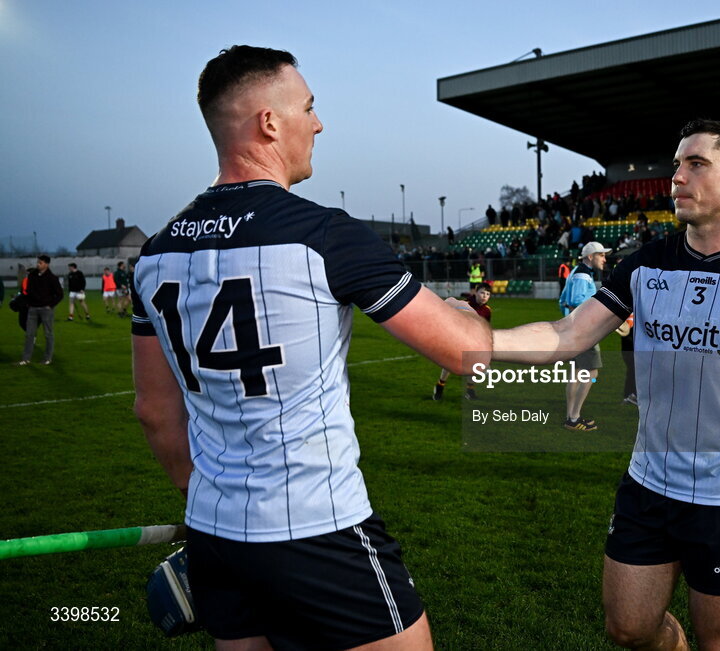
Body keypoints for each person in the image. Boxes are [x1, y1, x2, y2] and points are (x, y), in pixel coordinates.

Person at [131, 45, 491, 650]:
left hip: (214, 532)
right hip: (316, 527)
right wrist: (465, 314)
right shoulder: (323, 235)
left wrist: (219, 508)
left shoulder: (156, 252)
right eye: (309, 107)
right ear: (269, 123)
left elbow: (155, 412)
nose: (318, 123)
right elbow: (467, 354)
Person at [493, 120, 720, 650]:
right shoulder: (643, 266)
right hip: (647, 483)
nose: (676, 178)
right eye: (676, 165)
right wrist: (479, 340)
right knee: (629, 628)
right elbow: (569, 332)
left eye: (696, 164)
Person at [558, 240, 611, 431]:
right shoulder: (583, 275)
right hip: (583, 332)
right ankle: (574, 417)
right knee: (592, 373)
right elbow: (574, 301)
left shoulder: (576, 272)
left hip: (573, 331)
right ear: (590, 257)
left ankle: (570, 416)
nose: (604, 259)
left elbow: (563, 300)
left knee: (576, 374)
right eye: (601, 255)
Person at [433, 282, 492, 401]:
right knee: (450, 363)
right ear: (475, 292)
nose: (484, 296)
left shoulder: (487, 310)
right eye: (482, 293)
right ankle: (440, 385)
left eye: (487, 294)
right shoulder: (465, 304)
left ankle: (470, 391)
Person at [19, 255, 63, 366]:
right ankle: (26, 359)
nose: (38, 264)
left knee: (48, 334)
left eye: (40, 263)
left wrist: (50, 305)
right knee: (29, 334)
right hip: (32, 308)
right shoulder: (32, 275)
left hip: (46, 309)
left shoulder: (52, 278)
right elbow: (28, 290)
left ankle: (47, 358)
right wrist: (29, 303)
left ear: (46, 264)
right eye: (38, 262)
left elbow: (60, 294)